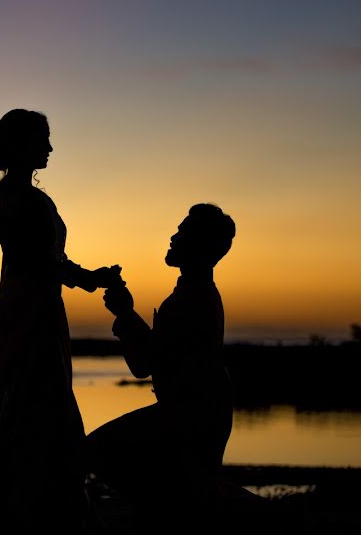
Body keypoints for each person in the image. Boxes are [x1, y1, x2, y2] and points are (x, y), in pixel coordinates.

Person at [0, 109, 122, 534]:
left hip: (44, 308)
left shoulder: (33, 198)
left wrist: (88, 277)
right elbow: (39, 261)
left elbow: (50, 261)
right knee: (23, 403)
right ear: (21, 143)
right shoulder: (9, 199)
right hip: (23, 311)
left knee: (44, 404)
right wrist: (87, 279)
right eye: (42, 139)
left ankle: (50, 508)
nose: (49, 148)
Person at [88, 203, 236, 528]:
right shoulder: (193, 294)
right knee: (193, 491)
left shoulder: (191, 299)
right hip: (197, 410)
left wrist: (125, 315)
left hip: (192, 413)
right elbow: (157, 354)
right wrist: (126, 315)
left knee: (99, 452)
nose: (172, 237)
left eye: (182, 232)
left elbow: (144, 363)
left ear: (199, 246)